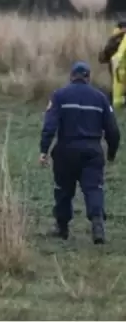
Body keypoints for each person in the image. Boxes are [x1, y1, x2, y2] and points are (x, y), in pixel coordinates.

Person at [39, 61, 120, 244]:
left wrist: (44, 150)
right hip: (92, 151)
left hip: (66, 151)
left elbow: (50, 125)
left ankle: (62, 227)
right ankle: (98, 225)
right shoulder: (100, 98)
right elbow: (113, 130)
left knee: (63, 190)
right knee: (93, 189)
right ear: (88, 78)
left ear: (71, 77)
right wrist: (111, 153)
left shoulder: (59, 96)